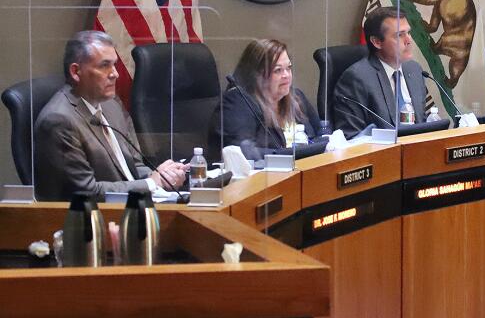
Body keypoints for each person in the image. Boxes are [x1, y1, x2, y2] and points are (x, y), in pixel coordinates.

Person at [34, 31, 187, 201]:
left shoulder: (110, 104)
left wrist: (161, 175)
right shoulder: (59, 121)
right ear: (76, 71)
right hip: (92, 218)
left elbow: (133, 165)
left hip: (133, 203)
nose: (115, 73)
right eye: (104, 65)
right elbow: (87, 192)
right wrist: (151, 183)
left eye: (114, 64)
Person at [208, 39, 321, 161]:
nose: (286, 75)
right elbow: (243, 153)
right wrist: (297, 153)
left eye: (288, 68)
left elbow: (322, 132)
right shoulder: (238, 104)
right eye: (278, 70)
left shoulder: (296, 97)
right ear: (256, 75)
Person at [333, 6, 427, 138]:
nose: (408, 40)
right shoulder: (356, 79)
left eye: (408, 33)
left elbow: (424, 124)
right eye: (400, 35)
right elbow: (352, 137)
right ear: (377, 42)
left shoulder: (414, 70)